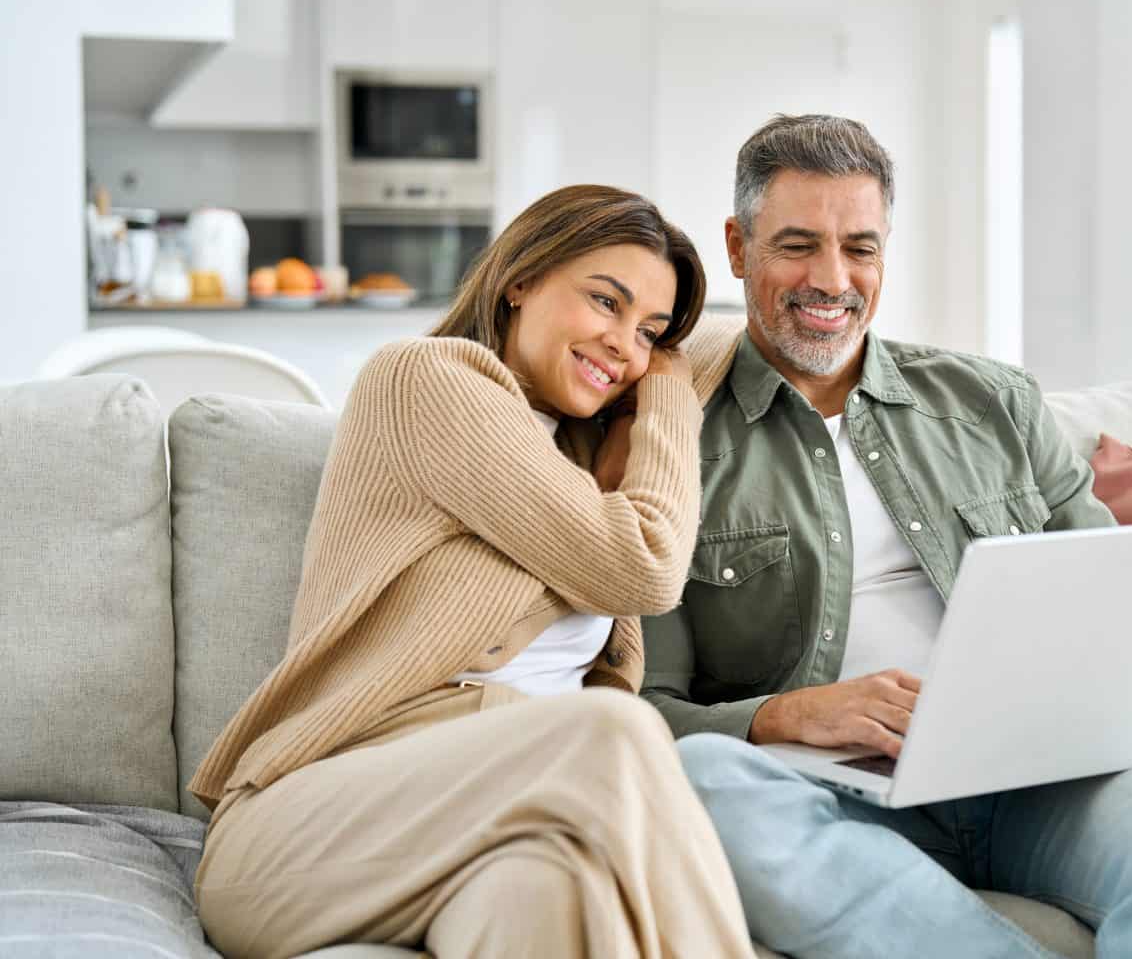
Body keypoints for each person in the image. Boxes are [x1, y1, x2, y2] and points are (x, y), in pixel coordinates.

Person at [643, 116, 1132, 958]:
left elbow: (1116, 598)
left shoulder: (992, 402)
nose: (831, 279)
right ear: (738, 246)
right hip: (832, 792)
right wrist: (789, 714)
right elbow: (642, 713)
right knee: (701, 784)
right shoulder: (669, 438)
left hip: (1046, 780)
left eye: (861, 248)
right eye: (798, 245)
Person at [189, 185, 757, 959]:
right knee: (614, 731)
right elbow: (643, 569)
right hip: (305, 834)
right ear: (521, 278)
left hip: (489, 831)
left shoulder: (580, 459)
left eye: (649, 331)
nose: (625, 345)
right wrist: (665, 400)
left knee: (550, 893)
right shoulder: (428, 381)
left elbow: (751, 336)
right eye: (605, 301)